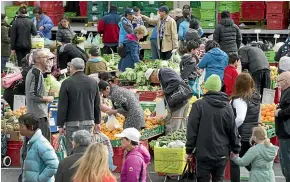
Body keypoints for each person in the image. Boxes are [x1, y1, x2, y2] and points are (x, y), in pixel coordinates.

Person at [186, 74, 241, 182]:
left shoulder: (198, 105)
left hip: (203, 153)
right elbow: (233, 130)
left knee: (202, 179)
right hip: (221, 153)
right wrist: (236, 149)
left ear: (206, 88)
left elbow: (192, 130)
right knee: (219, 179)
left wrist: (189, 150)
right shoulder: (227, 107)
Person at [57, 58, 101, 154]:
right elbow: (97, 104)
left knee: (72, 149)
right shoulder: (93, 82)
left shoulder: (66, 83)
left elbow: (62, 105)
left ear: (72, 67)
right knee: (86, 149)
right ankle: (85, 167)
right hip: (88, 121)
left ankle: (73, 167)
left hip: (71, 122)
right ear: (84, 67)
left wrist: (60, 124)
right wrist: (98, 122)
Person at [230, 72, 261, 182]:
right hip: (252, 135)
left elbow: (240, 118)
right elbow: (258, 115)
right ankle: (262, 177)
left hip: (241, 135)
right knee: (247, 161)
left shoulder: (240, 100)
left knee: (234, 161)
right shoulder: (256, 97)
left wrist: (230, 128)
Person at [145, 68, 190, 134]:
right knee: (181, 127)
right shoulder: (163, 74)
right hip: (183, 100)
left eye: (151, 80)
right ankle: (180, 142)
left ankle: (172, 142)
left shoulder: (163, 73)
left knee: (173, 127)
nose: (153, 82)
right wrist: (157, 111)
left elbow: (176, 81)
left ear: (153, 76)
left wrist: (164, 91)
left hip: (179, 102)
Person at [18, 113, 59, 182]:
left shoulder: (41, 143)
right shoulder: (30, 142)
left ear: (31, 127)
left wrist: (40, 180)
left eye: (21, 126)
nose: (19, 129)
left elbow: (54, 165)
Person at [25, 49, 54, 142]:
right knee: (43, 143)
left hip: (35, 114)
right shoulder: (36, 73)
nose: (47, 60)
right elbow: (33, 95)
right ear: (37, 60)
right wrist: (48, 98)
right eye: (45, 57)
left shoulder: (34, 72)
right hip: (38, 116)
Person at [275, 71, 290, 181]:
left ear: (285, 81)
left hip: (286, 131)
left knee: (286, 160)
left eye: (279, 81)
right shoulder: (286, 91)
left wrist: (279, 112)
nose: (278, 84)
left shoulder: (288, 92)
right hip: (284, 131)